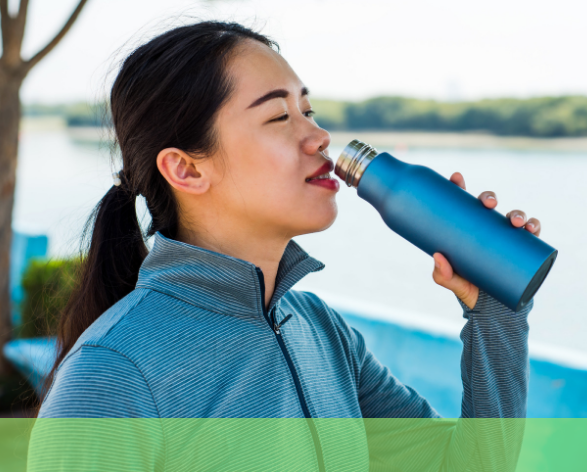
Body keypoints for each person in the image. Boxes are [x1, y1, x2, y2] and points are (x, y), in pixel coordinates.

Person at [28, 21, 544, 471]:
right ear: (186, 168)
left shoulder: (322, 333)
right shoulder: (112, 376)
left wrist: (496, 315)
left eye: (309, 110)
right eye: (279, 117)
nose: (319, 136)